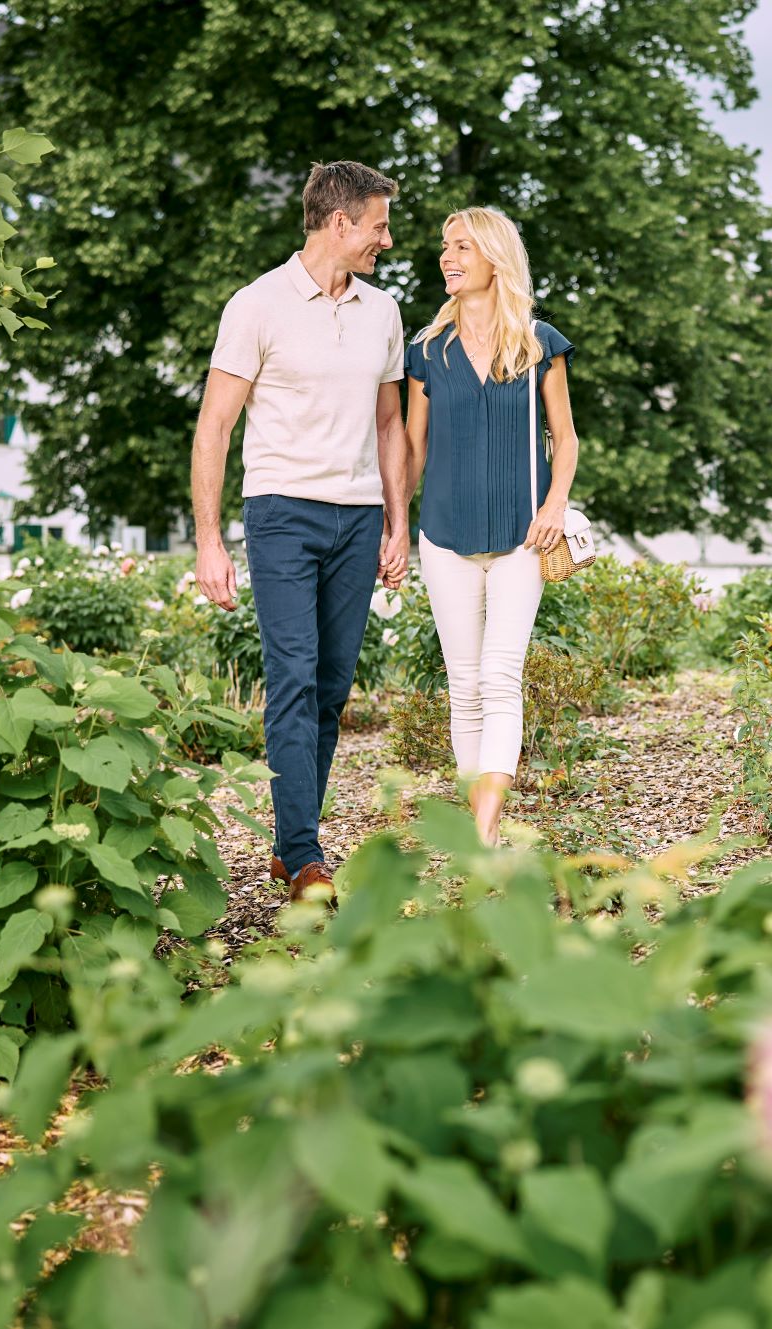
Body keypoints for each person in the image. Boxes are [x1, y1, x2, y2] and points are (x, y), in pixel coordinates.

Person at [191, 161, 410, 902]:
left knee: (329, 688)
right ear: (340, 222)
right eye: (378, 224)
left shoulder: (382, 311)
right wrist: (208, 539)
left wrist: (397, 520)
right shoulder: (256, 305)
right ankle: (306, 855)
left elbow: (390, 424)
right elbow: (215, 425)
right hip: (282, 512)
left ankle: (291, 845)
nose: (387, 238)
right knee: (290, 679)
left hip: (357, 519)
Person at [406, 206, 579, 844]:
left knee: (502, 677)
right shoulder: (427, 350)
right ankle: (483, 831)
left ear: (494, 259)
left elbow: (565, 438)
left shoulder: (539, 344)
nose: (447, 258)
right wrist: (396, 524)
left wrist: (555, 504)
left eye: (461, 248)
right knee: (465, 686)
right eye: (445, 248)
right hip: (443, 537)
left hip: (521, 538)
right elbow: (412, 449)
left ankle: (481, 833)